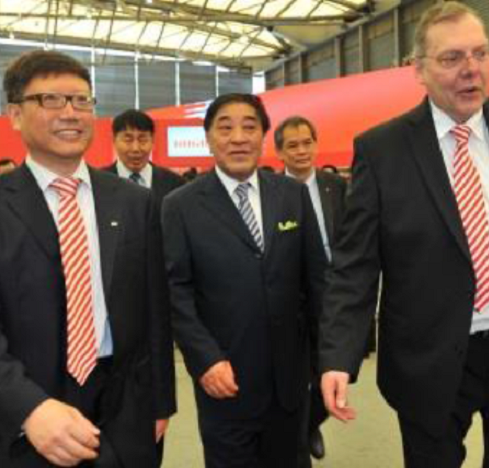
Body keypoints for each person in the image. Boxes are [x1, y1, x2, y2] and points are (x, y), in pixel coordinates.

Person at [320, 2, 489, 467]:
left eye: (480, 53)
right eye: (452, 58)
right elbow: (355, 266)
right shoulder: (382, 150)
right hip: (430, 355)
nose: (471, 70)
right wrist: (337, 357)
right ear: (418, 69)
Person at [0, 50, 175, 467]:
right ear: (15, 114)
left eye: (81, 100)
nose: (71, 113)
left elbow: (154, 308)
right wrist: (29, 408)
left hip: (123, 413)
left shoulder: (134, 202)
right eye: (51, 100)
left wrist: (160, 402)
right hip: (24, 415)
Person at [161, 93, 327, 468]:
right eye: (225, 127)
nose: (238, 137)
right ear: (209, 138)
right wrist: (205, 359)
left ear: (263, 137)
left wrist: (327, 362)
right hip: (225, 381)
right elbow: (175, 292)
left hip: (289, 382)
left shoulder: (292, 195)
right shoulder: (180, 206)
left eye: (249, 127)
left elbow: (317, 282)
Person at [103, 108, 181, 467]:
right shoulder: (98, 185)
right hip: (115, 306)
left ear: (153, 141)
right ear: (114, 140)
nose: (136, 147)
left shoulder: (174, 186)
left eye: (143, 138)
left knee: (152, 409)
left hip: (167, 299)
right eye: (127, 138)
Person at [274, 115, 347, 466]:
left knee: (340, 368)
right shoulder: (272, 192)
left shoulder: (337, 186)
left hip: (335, 298)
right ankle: (302, 429)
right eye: (292, 145)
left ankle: (309, 423)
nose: (301, 151)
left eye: (307, 143)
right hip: (292, 302)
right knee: (299, 374)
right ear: (279, 152)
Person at [104, 109, 185, 205]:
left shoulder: (175, 184)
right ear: (114, 140)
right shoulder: (100, 184)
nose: (135, 149)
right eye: (128, 140)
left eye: (143, 140)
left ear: (153, 141)